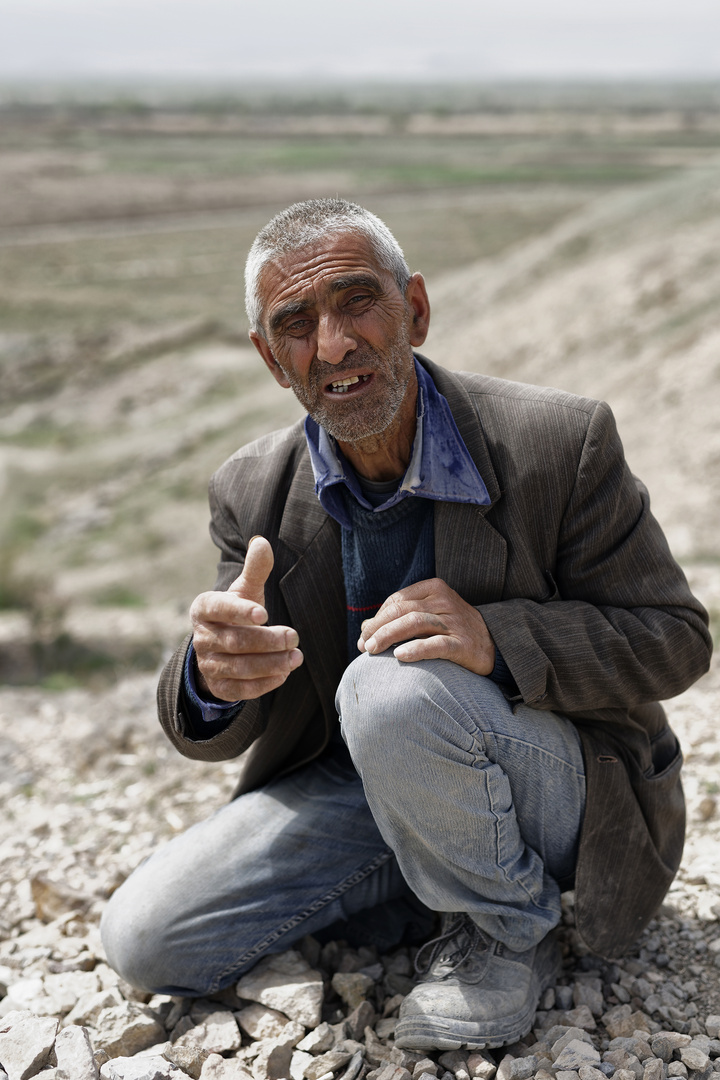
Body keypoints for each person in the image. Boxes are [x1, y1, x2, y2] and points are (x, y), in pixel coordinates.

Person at [101, 198, 712, 1052]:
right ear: (272, 359)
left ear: (414, 310)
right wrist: (210, 678)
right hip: (364, 785)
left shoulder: (557, 442)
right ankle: (424, 877)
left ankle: (505, 930)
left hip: (557, 782)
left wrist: (501, 640)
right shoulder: (251, 491)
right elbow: (215, 719)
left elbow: (676, 637)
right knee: (146, 939)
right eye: (296, 324)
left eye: (358, 301)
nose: (334, 344)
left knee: (386, 691)